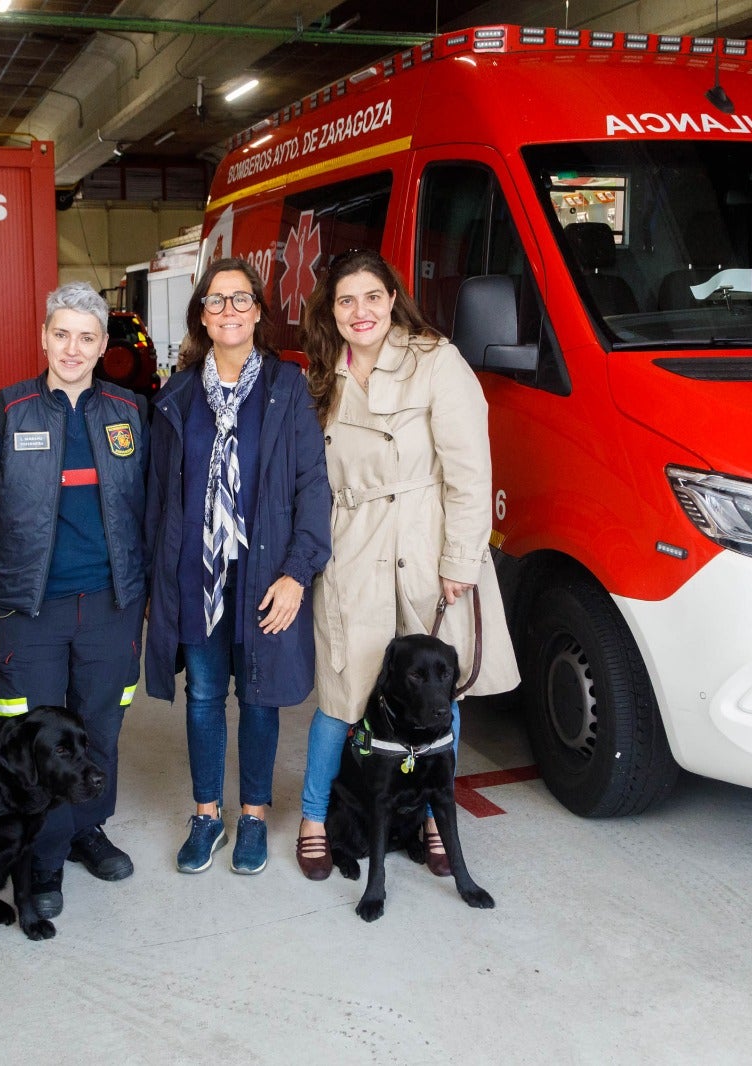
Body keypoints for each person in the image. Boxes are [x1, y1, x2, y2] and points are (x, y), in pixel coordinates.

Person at [293, 249, 519, 881]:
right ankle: (315, 817)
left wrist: (461, 560)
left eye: (371, 297)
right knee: (344, 690)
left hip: (427, 541)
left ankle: (428, 817)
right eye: (345, 301)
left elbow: (470, 470)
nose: (359, 312)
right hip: (355, 544)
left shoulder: (435, 361)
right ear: (330, 311)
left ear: (392, 299)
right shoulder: (321, 376)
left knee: (434, 688)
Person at [0, 281, 148, 919]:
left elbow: (143, 501)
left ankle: (86, 829)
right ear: (43, 337)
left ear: (102, 347)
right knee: (31, 735)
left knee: (99, 726)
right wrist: (24, 555)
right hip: (31, 608)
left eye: (87, 337)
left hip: (110, 602)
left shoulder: (129, 412)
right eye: (61, 334)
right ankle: (39, 857)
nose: (72, 348)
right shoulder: (6, 412)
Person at [144, 258, 331, 876]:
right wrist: (156, 582)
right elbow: (157, 499)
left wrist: (296, 574)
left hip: (265, 578)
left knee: (258, 698)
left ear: (258, 312)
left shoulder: (288, 390)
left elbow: (313, 489)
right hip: (197, 580)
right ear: (202, 314)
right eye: (216, 301)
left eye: (241, 299)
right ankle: (207, 815)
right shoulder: (175, 397)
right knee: (203, 697)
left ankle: (251, 815)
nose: (229, 311)